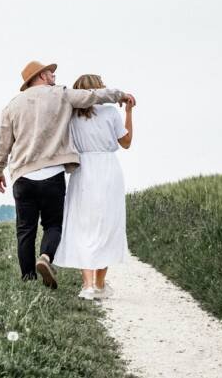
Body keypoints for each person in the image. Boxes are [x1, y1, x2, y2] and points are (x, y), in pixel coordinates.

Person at [0, 61, 135, 289]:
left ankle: (28, 279)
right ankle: (45, 256)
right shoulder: (61, 95)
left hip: (22, 175)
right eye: (50, 72)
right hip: (53, 173)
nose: (54, 75)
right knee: (53, 225)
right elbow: (93, 96)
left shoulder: (12, 106)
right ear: (40, 76)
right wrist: (121, 95)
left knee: (25, 229)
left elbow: (3, 143)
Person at [53, 74, 134, 300]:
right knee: (107, 225)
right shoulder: (110, 113)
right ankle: (99, 284)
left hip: (82, 170)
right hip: (108, 169)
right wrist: (129, 112)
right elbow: (126, 142)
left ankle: (87, 285)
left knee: (83, 227)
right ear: (99, 90)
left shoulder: (71, 116)